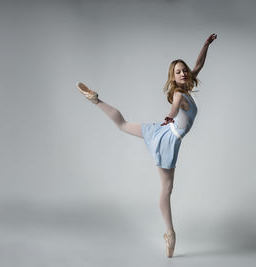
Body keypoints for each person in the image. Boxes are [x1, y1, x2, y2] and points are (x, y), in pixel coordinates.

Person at [76, 33, 217, 258]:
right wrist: (170, 117)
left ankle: (95, 100)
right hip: (168, 138)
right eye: (177, 72)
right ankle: (169, 233)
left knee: (123, 125)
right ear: (173, 79)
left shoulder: (187, 86)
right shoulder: (180, 93)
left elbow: (199, 64)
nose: (183, 73)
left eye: (184, 70)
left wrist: (205, 45)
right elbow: (174, 108)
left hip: (161, 133)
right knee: (167, 189)